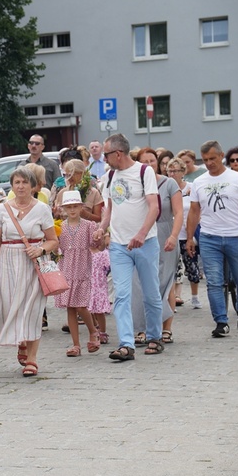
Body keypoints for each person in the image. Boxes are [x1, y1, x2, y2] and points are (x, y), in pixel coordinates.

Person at [0, 167, 59, 377]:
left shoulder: (42, 208)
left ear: (33, 186)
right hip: (7, 262)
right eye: (17, 183)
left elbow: (53, 240)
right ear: (12, 186)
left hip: (33, 263)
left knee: (32, 310)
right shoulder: (1, 210)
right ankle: (21, 341)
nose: (21, 186)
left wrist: (41, 249)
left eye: (25, 182)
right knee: (9, 307)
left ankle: (32, 359)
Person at [93, 134, 162, 361]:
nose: (104, 158)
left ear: (118, 154)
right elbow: (109, 210)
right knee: (122, 295)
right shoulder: (110, 176)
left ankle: (155, 337)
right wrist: (102, 229)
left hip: (146, 243)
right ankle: (126, 345)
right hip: (119, 246)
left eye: (106, 154)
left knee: (150, 293)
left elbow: (154, 207)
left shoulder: (144, 172)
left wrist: (142, 234)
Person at [186, 140, 238, 337]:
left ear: (221, 156)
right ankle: (221, 322)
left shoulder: (237, 179)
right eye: (205, 160)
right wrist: (189, 238)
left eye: (213, 158)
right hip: (209, 237)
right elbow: (194, 212)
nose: (210, 162)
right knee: (214, 282)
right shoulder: (199, 182)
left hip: (236, 236)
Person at [131, 147, 183, 350]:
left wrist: (173, 236)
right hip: (141, 235)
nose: (150, 165)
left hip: (164, 232)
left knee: (163, 282)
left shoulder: (169, 183)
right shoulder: (136, 184)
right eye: (145, 162)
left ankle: (165, 327)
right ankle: (145, 328)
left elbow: (178, 213)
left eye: (153, 161)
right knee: (141, 283)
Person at [54, 191, 100, 357]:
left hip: (81, 268)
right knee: (70, 308)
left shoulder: (88, 225)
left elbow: (95, 244)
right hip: (65, 268)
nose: (72, 210)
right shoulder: (60, 226)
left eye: (75, 206)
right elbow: (55, 245)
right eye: (69, 207)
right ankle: (75, 344)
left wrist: (98, 236)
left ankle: (93, 331)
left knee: (81, 305)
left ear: (81, 207)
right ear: (64, 208)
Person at [167, 157, 202, 315]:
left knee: (191, 265)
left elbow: (197, 209)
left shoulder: (191, 187)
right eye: (170, 170)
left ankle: (194, 296)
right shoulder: (166, 188)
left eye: (176, 171)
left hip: (188, 233)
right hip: (172, 234)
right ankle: (172, 299)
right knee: (172, 269)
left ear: (183, 172)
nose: (173, 173)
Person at [89, 230, 112, 344]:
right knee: (88, 309)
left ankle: (102, 331)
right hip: (87, 284)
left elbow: (108, 267)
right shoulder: (85, 253)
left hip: (99, 285)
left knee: (99, 310)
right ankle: (94, 328)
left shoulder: (103, 253)